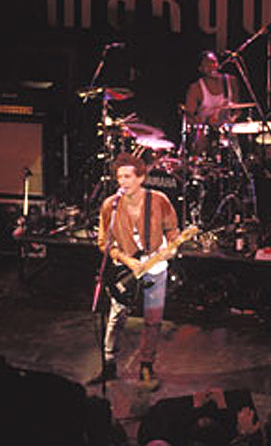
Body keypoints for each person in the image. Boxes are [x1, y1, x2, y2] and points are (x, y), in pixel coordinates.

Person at [88, 152, 179, 391]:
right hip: (125, 270)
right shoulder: (111, 206)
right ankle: (109, 364)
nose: (123, 182)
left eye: (128, 176)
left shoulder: (159, 200)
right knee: (116, 318)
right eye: (120, 177)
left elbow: (172, 230)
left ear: (140, 178)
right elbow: (103, 243)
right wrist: (128, 261)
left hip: (156, 268)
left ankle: (146, 366)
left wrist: (172, 247)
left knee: (153, 320)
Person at [184, 50, 241, 155]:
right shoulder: (196, 88)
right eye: (207, 64)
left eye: (214, 62)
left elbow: (237, 109)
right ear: (200, 69)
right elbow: (188, 117)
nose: (212, 66)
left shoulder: (231, 81)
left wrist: (231, 119)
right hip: (205, 132)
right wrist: (205, 121)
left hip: (227, 130)